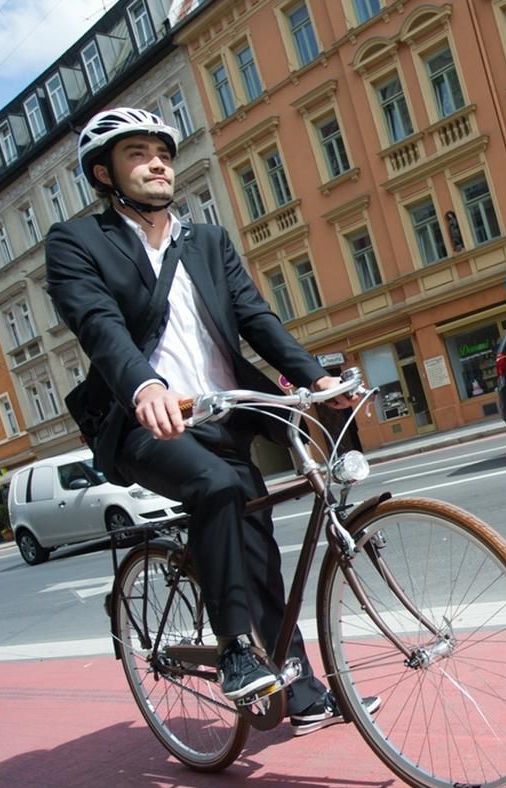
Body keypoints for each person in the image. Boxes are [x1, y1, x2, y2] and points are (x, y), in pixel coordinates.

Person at [46, 107, 378, 735]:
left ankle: (301, 691)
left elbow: (256, 318)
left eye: (163, 153)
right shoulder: (78, 243)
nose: (156, 163)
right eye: (138, 153)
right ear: (104, 172)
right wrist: (143, 384)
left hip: (227, 413)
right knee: (217, 488)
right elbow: (99, 325)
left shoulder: (207, 241)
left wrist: (314, 377)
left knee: (264, 559)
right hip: (147, 423)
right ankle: (233, 649)